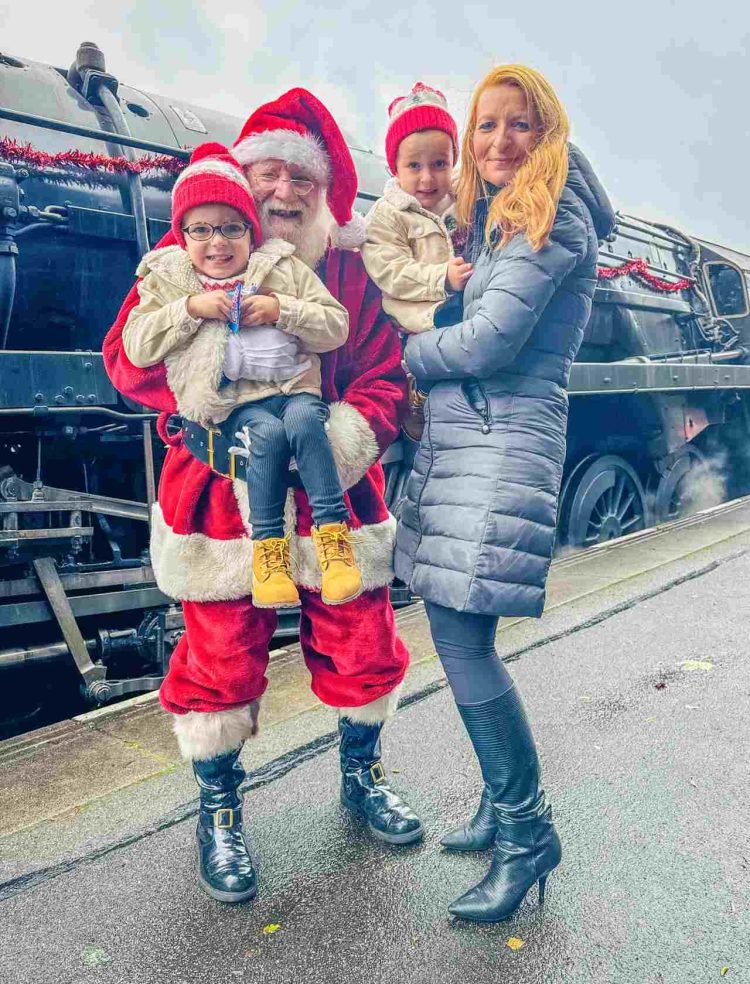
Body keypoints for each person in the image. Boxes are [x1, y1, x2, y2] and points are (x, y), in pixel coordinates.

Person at [104, 88, 423, 906]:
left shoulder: (349, 270)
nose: (284, 193)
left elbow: (386, 379)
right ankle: (218, 810)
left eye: (301, 181)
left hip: (335, 493)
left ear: (324, 194)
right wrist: (198, 334)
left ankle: (363, 775)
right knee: (217, 660)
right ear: (242, 185)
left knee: (362, 643)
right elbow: (125, 364)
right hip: (216, 495)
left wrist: (344, 443)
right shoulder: (182, 266)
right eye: (269, 176)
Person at [394, 65, 615, 922]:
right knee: (464, 630)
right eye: (484, 126)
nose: (495, 143)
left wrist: (403, 358)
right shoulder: (495, 220)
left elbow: (487, 342)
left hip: (500, 441)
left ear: (546, 130)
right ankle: (502, 802)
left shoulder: (548, 216)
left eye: (517, 126)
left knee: (460, 636)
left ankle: (529, 834)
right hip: (471, 442)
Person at [121, 143, 363, 610]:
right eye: (202, 229)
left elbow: (336, 326)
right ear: (183, 235)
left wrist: (282, 310)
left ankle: (335, 541)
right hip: (236, 406)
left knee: (304, 422)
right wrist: (190, 310)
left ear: (250, 232)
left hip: (295, 389)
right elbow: (134, 347)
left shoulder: (281, 267)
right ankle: (267, 553)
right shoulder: (168, 279)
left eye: (232, 228)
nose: (218, 242)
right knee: (268, 436)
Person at [361, 82, 472, 337]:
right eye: (414, 166)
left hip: (467, 310)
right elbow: (390, 271)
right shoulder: (387, 214)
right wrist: (442, 277)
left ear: (453, 161)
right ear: (395, 168)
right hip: (418, 323)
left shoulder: (463, 201)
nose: (427, 178)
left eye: (439, 164)